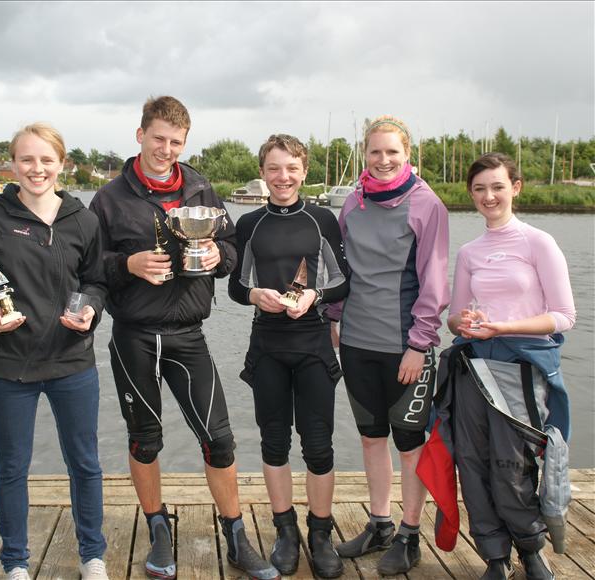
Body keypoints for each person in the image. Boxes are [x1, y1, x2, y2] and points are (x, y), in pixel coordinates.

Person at [89, 96, 279, 580]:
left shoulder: (200, 188)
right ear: (140, 135)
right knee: (145, 440)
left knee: (220, 441)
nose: (166, 149)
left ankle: (235, 533)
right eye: (158, 139)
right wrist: (128, 265)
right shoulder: (109, 199)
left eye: (176, 142)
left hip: (187, 335)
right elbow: (88, 268)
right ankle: (157, 526)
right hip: (133, 336)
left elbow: (233, 246)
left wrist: (220, 256)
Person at [0, 124, 109, 580]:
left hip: (72, 362)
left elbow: (96, 283)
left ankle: (92, 555)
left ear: (61, 164)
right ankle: (15, 562)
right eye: (27, 160)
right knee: (12, 467)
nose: (37, 169)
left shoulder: (83, 221)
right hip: (11, 365)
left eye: (46, 160)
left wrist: (88, 311)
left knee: (85, 463)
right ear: (13, 164)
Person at [444, 153, 575, 580]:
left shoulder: (538, 242)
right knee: (472, 460)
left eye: (497, 186)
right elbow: (455, 317)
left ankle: (531, 548)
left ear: (515, 188)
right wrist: (462, 322)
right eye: (480, 188)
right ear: (471, 194)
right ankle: (495, 556)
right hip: (474, 366)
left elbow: (563, 316)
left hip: (520, 365)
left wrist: (505, 327)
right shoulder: (469, 252)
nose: (489, 196)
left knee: (513, 462)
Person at [328, 115, 450, 575]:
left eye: (392, 152)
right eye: (375, 152)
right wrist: (334, 319)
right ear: (365, 155)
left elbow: (435, 283)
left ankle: (409, 533)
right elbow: (343, 269)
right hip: (356, 340)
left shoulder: (426, 204)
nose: (383, 160)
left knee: (409, 443)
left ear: (407, 156)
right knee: (371, 438)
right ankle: (379, 523)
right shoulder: (353, 203)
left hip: (405, 345)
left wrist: (420, 344)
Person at [227, 135, 350, 578]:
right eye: (274, 168)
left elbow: (343, 282)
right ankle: (284, 529)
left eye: (291, 168)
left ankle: (320, 533)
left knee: (318, 447)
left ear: (304, 171)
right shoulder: (249, 224)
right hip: (269, 347)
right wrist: (256, 294)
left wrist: (315, 294)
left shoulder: (322, 219)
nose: (283, 177)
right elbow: (236, 286)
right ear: (263, 172)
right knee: (274, 443)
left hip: (314, 344)